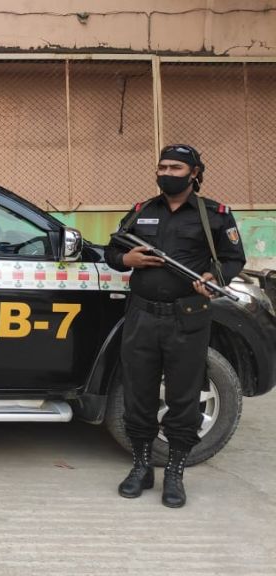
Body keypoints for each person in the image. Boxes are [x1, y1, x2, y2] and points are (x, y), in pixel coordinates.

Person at [106, 144, 245, 508]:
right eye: (162, 167)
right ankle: (141, 467)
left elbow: (233, 258)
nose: (166, 173)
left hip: (188, 316)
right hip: (142, 315)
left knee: (183, 398)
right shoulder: (142, 211)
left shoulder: (214, 215)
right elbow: (112, 251)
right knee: (138, 395)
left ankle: (174, 472)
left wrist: (212, 277)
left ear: (194, 173)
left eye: (175, 168)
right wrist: (127, 258)